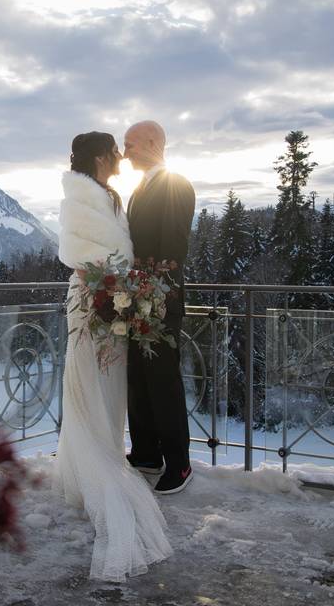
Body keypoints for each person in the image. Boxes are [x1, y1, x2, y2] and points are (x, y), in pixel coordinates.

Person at [54, 131, 173, 582]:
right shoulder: (78, 198)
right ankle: (93, 463)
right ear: (103, 156)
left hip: (115, 300)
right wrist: (113, 286)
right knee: (87, 378)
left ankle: (104, 449)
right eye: (116, 150)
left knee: (108, 382)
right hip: (91, 301)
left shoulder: (109, 195)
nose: (122, 156)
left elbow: (119, 252)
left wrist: (129, 289)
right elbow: (78, 252)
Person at [123, 120, 196, 494]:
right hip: (136, 298)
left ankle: (179, 463)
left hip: (161, 300)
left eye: (130, 144)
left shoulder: (176, 184)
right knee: (137, 376)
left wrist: (154, 292)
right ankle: (147, 453)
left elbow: (174, 248)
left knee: (163, 380)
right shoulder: (138, 188)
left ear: (153, 142)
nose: (125, 152)